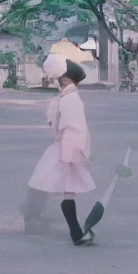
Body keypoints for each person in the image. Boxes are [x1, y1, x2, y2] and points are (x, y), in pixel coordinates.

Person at [22, 54, 96, 245]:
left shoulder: (64, 98)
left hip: (62, 149)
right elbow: (75, 129)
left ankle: (74, 233)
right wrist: (75, 154)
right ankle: (76, 234)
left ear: (65, 78)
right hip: (66, 150)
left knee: (50, 185)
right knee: (64, 190)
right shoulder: (71, 99)